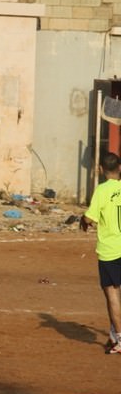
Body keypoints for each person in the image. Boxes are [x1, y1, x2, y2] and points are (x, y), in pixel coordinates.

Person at [81, 152, 121, 354]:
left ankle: (120, 339)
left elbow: (89, 218)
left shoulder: (102, 190)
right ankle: (114, 336)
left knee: (112, 294)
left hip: (111, 250)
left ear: (101, 170)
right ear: (120, 168)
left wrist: (82, 220)